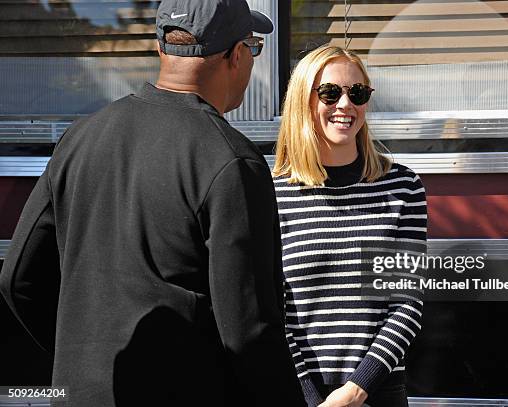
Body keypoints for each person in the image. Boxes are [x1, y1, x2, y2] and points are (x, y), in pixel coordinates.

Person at [0, 0, 306, 406]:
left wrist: (83, 355)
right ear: (236, 55)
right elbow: (249, 331)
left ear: (161, 49)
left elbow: (19, 279)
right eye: (252, 47)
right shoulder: (230, 160)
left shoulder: (80, 139)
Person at [273, 45, 427, 407]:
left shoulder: (402, 187)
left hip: (377, 391)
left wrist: (358, 389)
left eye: (356, 93)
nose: (345, 105)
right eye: (329, 92)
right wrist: (312, 398)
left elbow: (406, 302)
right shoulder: (270, 192)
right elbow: (269, 308)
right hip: (297, 389)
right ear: (303, 101)